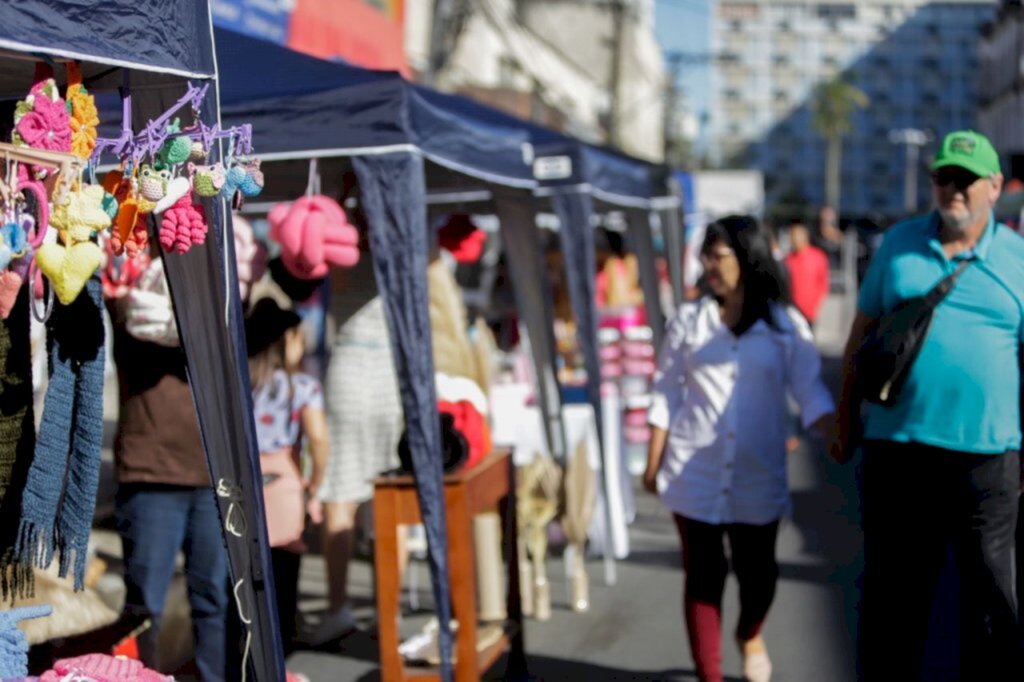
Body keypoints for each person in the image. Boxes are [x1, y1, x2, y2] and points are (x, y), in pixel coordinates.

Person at [832, 130, 1024, 679]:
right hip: (899, 455)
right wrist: (844, 418)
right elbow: (859, 335)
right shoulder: (898, 244)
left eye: (965, 180)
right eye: (944, 177)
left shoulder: (1018, 259)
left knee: (989, 608)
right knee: (895, 603)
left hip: (987, 462)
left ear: (995, 186)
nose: (953, 190)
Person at [643, 215, 834, 682]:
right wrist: (653, 462)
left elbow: (811, 391)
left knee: (759, 577)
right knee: (703, 582)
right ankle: (710, 674)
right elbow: (666, 391)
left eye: (718, 254)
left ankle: (750, 632)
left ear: (747, 258)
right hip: (695, 471)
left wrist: (836, 432)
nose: (707, 263)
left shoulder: (785, 325)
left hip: (756, 475)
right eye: (705, 254)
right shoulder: (689, 320)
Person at [108, 261, 228, 681]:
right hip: (150, 475)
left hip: (211, 477)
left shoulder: (218, 304)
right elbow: (130, 314)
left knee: (213, 597)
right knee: (146, 604)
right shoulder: (131, 290)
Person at [245, 298, 328, 654]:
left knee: (246, 576)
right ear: (285, 340)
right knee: (283, 577)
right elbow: (320, 439)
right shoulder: (302, 387)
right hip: (284, 480)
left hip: (245, 480)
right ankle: (280, 657)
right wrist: (315, 482)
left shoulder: (241, 382)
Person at [783, 220, 830, 327]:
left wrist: (815, 305)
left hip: (809, 311)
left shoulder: (818, 257)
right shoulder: (788, 259)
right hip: (791, 311)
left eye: (796, 235)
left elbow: (823, 283)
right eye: (791, 236)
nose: (793, 239)